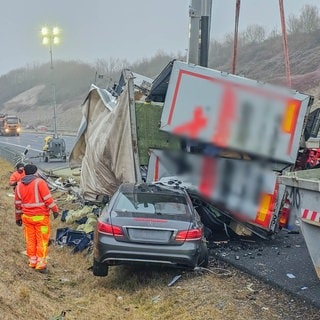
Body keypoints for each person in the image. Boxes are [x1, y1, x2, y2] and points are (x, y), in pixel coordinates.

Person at [14, 164, 60, 272]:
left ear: (24, 172)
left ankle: (32, 261)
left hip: (27, 218)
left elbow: (17, 204)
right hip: (40, 218)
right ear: (36, 172)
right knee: (42, 240)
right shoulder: (40, 182)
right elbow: (48, 199)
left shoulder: (19, 185)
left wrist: (17, 218)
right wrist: (55, 210)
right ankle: (41, 264)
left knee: (30, 240)